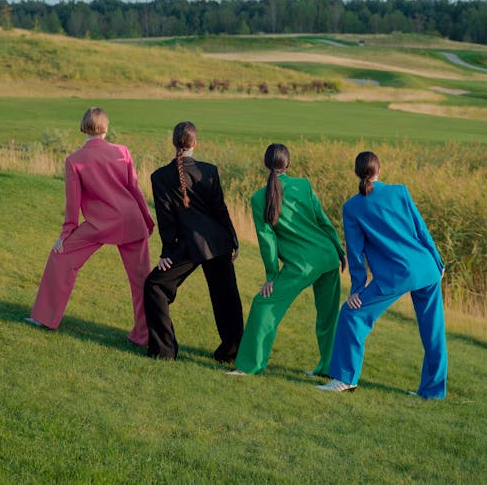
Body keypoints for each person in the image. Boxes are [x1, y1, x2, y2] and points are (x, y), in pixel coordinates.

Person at [318, 151, 447, 397]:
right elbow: (422, 229)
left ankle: (345, 379)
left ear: (358, 173)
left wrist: (357, 289)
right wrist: (438, 262)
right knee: (434, 332)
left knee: (351, 314)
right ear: (379, 170)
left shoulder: (352, 207)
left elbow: (355, 252)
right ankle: (433, 392)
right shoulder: (400, 191)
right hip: (426, 267)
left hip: (397, 275)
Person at [26, 107, 154, 345]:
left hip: (100, 225)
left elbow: (72, 203)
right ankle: (145, 335)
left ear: (83, 126)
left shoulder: (74, 160)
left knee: (60, 256)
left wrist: (66, 235)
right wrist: (147, 220)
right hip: (132, 220)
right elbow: (135, 189)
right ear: (106, 128)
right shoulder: (122, 151)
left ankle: (44, 318)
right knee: (142, 281)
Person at [228, 143, 345, 376]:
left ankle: (250, 365)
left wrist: (271, 274)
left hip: (302, 265)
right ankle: (328, 367)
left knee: (263, 305)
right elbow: (323, 221)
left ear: (265, 165)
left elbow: (266, 239)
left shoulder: (258, 198)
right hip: (327, 256)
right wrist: (339, 251)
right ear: (288, 164)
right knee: (329, 317)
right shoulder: (304, 185)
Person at [144, 121, 243, 362]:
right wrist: (233, 240)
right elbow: (221, 209)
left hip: (188, 245)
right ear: (194, 143)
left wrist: (167, 250)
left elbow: (166, 217)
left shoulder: (159, 176)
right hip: (218, 243)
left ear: (173, 142)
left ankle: (164, 351)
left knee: (154, 286)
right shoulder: (209, 171)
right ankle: (232, 353)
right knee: (227, 299)